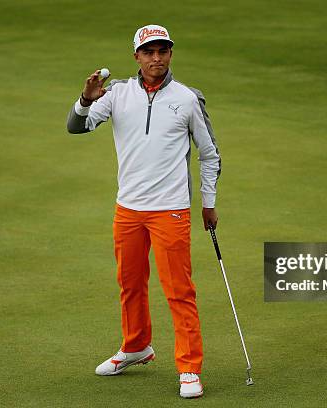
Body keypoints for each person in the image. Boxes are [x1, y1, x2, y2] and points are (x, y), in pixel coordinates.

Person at [66, 24, 221, 399]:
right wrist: (85, 100)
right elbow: (76, 126)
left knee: (179, 291)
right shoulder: (117, 93)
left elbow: (209, 152)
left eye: (163, 51)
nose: (156, 58)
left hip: (171, 210)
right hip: (128, 209)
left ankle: (188, 367)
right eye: (149, 51)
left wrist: (208, 203)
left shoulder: (186, 98)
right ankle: (136, 346)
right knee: (130, 283)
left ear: (170, 54)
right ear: (136, 56)